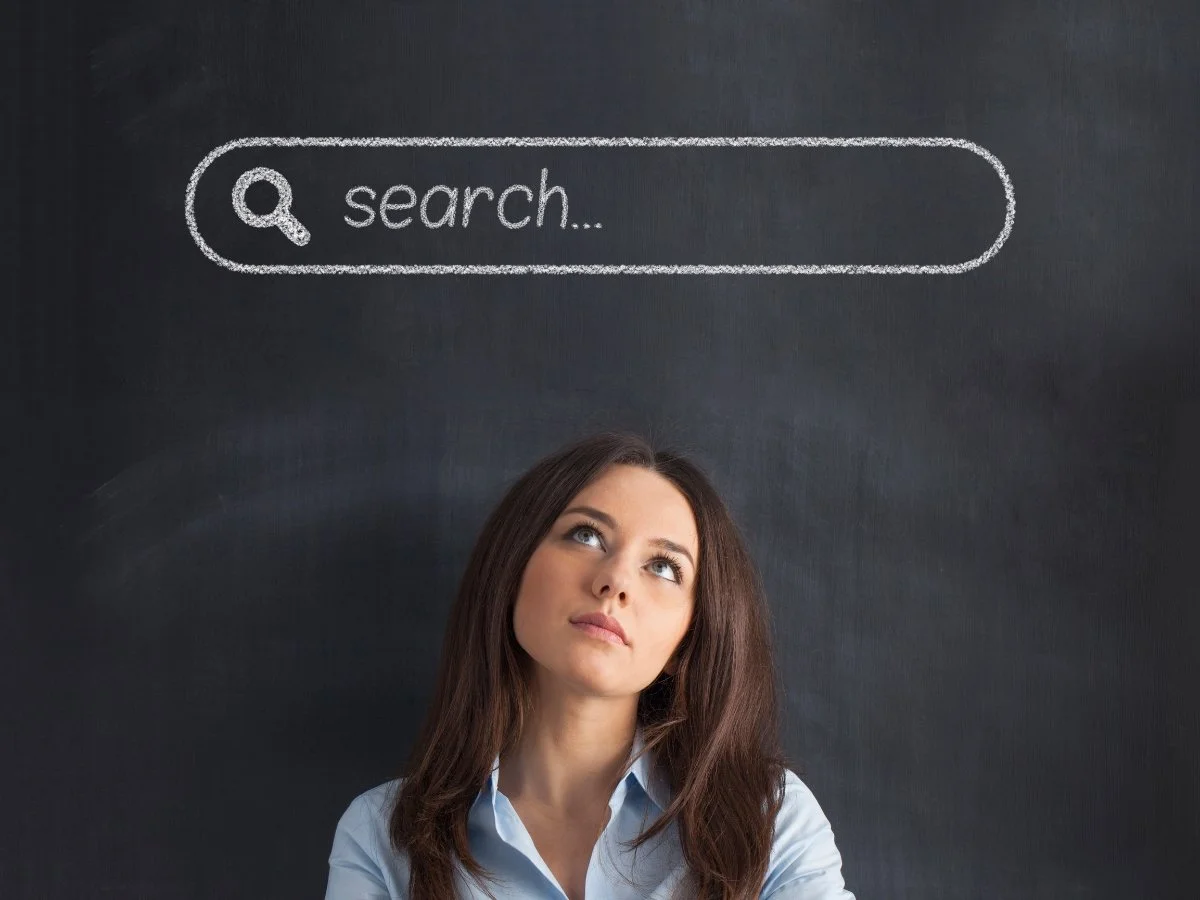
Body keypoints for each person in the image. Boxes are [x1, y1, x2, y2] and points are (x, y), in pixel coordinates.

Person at [324, 431, 856, 900]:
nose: (616, 581)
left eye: (664, 567)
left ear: (686, 641)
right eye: (586, 535)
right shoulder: (381, 836)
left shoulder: (768, 820)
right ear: (512, 567)